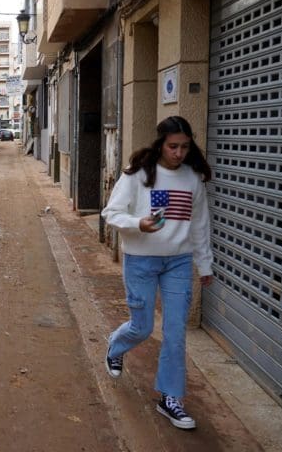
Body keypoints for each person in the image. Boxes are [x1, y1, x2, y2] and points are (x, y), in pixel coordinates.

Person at [101, 116, 213, 431]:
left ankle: (170, 398)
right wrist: (139, 223)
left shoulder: (193, 179)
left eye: (185, 147)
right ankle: (116, 344)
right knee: (142, 326)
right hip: (141, 259)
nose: (178, 153)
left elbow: (201, 225)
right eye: (173, 146)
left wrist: (205, 265)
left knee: (175, 333)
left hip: (178, 261)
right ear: (160, 144)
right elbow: (111, 213)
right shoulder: (138, 175)